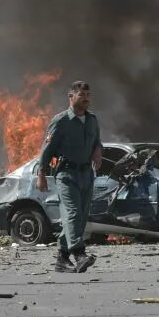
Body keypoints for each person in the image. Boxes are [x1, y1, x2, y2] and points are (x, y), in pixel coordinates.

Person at [36, 81, 102, 274]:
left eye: (88, 95)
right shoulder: (61, 121)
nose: (86, 98)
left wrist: (98, 151)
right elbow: (46, 150)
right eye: (82, 95)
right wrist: (41, 174)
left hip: (86, 174)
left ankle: (62, 258)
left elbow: (97, 141)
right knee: (72, 213)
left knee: (80, 217)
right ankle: (79, 254)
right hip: (66, 174)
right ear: (71, 97)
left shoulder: (92, 120)